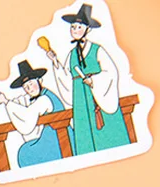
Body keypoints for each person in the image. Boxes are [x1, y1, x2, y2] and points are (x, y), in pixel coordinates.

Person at [45, 3, 130, 155]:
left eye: (79, 27)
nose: (75, 30)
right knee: (85, 131)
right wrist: (55, 62)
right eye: (73, 27)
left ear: (88, 29)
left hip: (98, 96)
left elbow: (111, 72)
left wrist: (95, 81)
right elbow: (66, 77)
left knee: (106, 131)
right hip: (80, 98)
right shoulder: (72, 54)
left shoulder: (97, 50)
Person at [0, 60, 74, 168]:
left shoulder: (45, 98)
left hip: (59, 139)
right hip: (54, 137)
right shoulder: (43, 96)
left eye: (31, 84)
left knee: (26, 153)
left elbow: (27, 117)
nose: (29, 89)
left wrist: (6, 102)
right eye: (25, 87)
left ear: (39, 81)